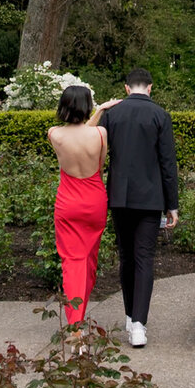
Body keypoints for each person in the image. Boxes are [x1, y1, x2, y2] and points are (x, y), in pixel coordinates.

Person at [100, 67, 179, 347]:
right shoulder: (160, 115)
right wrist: (172, 205)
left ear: (126, 88)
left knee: (126, 257)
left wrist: (99, 109)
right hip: (150, 198)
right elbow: (168, 163)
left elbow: (94, 147)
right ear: (150, 87)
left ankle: (130, 314)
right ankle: (138, 324)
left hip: (118, 197)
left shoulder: (112, 115)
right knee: (144, 258)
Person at [47, 83, 112, 325]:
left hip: (68, 203)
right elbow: (100, 164)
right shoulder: (100, 134)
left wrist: (99, 112)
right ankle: (77, 321)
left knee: (72, 263)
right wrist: (101, 111)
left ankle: (75, 326)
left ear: (63, 106)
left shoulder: (54, 134)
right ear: (88, 106)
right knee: (88, 261)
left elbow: (74, 133)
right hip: (95, 201)